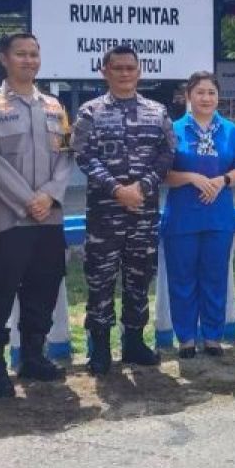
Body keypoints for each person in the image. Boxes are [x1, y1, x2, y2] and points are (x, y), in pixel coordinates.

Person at [0, 32, 74, 396]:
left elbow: (66, 157)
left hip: (48, 219)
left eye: (34, 54)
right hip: (6, 220)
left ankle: (33, 355)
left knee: (43, 289)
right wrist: (29, 199)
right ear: (3, 58)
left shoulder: (55, 107)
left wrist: (48, 196)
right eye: (20, 54)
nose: (28, 60)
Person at [71, 46, 175, 375]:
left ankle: (134, 342)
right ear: (105, 71)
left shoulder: (157, 112)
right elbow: (84, 156)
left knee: (138, 278)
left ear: (139, 71)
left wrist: (140, 188)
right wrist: (117, 190)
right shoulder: (89, 112)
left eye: (131, 68)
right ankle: (99, 348)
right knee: (100, 280)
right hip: (105, 213)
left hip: (143, 213)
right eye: (118, 68)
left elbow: (167, 155)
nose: (125, 73)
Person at [162, 71, 235, 358]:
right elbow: (163, 174)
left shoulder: (231, 131)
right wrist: (190, 177)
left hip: (218, 217)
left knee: (214, 276)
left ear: (218, 97)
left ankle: (213, 336)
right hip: (182, 218)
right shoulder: (172, 130)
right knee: (182, 278)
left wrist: (222, 180)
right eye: (200, 92)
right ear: (188, 96)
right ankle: (186, 338)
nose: (206, 98)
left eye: (211, 92)